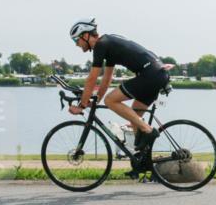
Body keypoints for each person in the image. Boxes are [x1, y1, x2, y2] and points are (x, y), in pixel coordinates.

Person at [67, 18, 170, 152]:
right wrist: (96, 100)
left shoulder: (100, 45)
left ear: (85, 35)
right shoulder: (108, 43)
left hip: (150, 74)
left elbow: (92, 79)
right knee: (134, 119)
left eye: (76, 40)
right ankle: (143, 163)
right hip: (157, 74)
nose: (76, 45)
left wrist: (82, 105)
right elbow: (107, 78)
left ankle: (149, 130)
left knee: (110, 100)